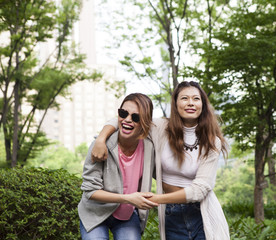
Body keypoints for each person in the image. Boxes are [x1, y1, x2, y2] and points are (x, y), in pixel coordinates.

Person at [92, 81, 230, 239]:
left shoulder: (212, 141)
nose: (190, 103)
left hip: (202, 212)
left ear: (203, 104)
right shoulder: (161, 128)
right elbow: (124, 118)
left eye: (196, 99)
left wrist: (155, 199)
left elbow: (200, 189)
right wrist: (101, 139)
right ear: (176, 103)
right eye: (184, 98)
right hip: (171, 213)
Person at [78, 93, 158, 240]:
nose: (127, 120)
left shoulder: (150, 147)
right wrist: (128, 198)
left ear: (145, 123)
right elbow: (90, 191)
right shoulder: (100, 145)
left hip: (126, 215)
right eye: (123, 113)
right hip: (95, 213)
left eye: (136, 117)